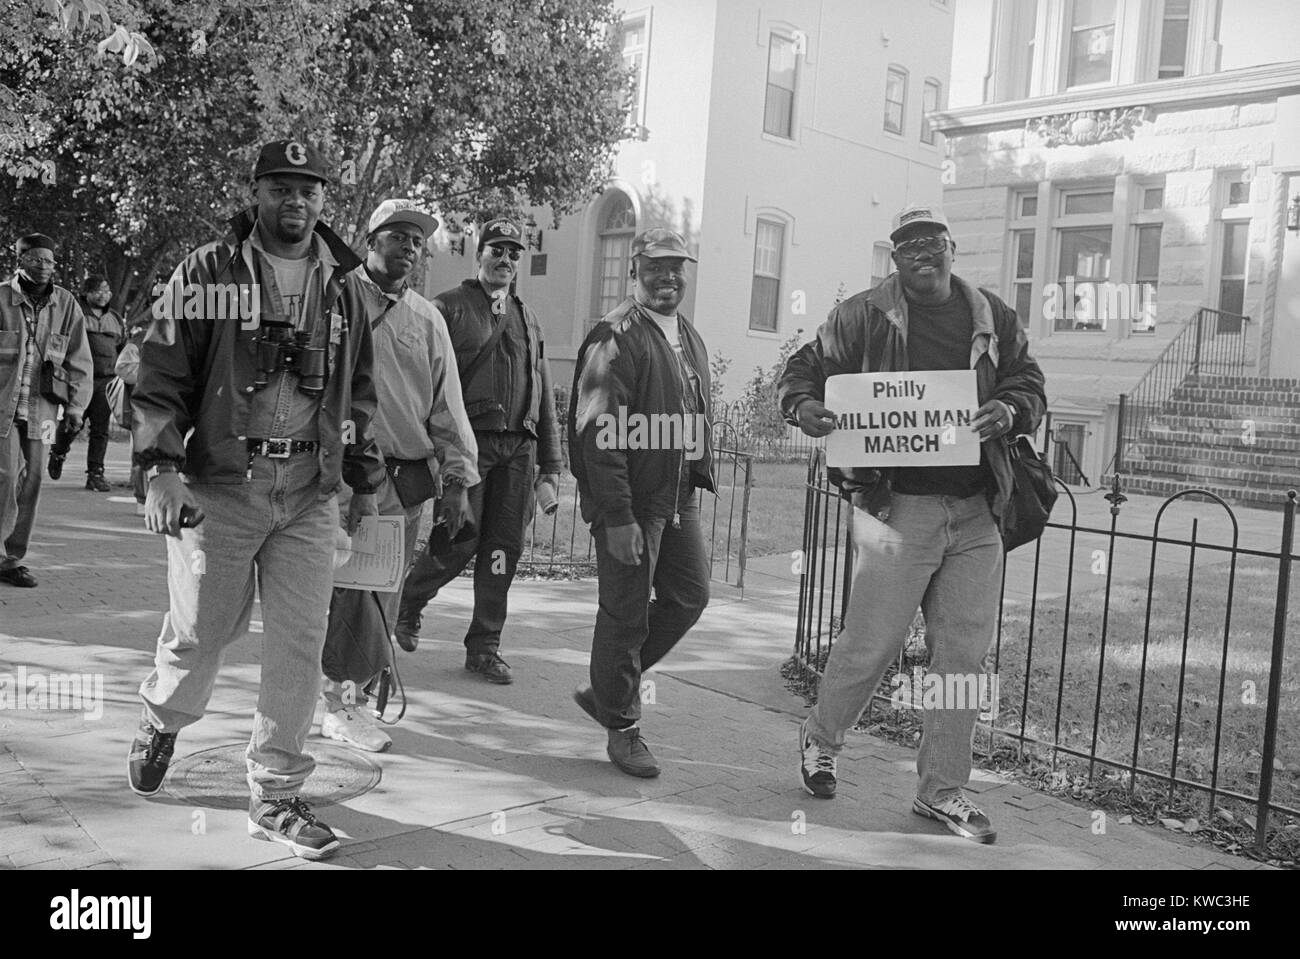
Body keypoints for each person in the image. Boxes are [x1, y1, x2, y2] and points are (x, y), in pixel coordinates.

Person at [126, 140, 386, 861]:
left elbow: (358, 390)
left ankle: (275, 793)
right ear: (257, 192)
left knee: (300, 643)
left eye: (308, 189)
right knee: (204, 632)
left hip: (306, 492)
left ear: (324, 200)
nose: (295, 202)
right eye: (281, 187)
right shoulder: (210, 271)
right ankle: (164, 715)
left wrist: (360, 477)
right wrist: (158, 468)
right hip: (221, 485)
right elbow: (160, 372)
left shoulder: (344, 286)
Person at [778, 204, 1046, 844]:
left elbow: (1029, 382)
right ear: (894, 260)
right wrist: (805, 406)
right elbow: (801, 372)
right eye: (907, 246)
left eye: (933, 241)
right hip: (895, 509)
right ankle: (820, 739)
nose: (922, 252)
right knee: (870, 642)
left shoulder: (991, 316)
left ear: (952, 248)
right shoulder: (862, 315)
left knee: (961, 658)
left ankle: (943, 791)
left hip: (978, 511)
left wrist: (1010, 410)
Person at [319, 199, 479, 753]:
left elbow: (446, 408)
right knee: (347, 592)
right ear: (371, 238)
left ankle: (354, 691)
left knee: (381, 591)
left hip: (405, 484)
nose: (410, 248)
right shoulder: (336, 298)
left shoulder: (427, 318)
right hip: (343, 478)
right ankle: (340, 704)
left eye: (418, 240)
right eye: (399, 236)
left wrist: (457, 481)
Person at [567, 228, 715, 778]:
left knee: (690, 595)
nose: (668, 276)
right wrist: (618, 516)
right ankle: (623, 726)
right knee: (625, 615)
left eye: (677, 266)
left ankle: (606, 688)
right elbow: (597, 433)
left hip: (677, 498)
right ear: (636, 270)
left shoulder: (688, 335)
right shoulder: (617, 335)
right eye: (656, 267)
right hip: (634, 502)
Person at [393, 217, 562, 686]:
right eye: (496, 250)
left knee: (502, 551)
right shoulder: (446, 308)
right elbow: (420, 383)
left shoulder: (528, 317)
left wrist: (551, 463)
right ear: (478, 253)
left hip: (518, 451)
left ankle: (485, 647)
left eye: (513, 253)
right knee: (459, 538)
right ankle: (408, 601)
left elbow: (542, 393)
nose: (505, 259)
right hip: (469, 447)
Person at [0, 233, 93, 589]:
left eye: (49, 261)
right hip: (4, 410)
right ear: (19, 260)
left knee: (34, 479)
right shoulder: (2, 297)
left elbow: (80, 360)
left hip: (46, 413)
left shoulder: (66, 304)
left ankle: (12, 558)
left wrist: (76, 407)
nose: (43, 267)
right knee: (6, 476)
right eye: (36, 259)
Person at [48, 275, 126, 491]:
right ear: (87, 293)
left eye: (106, 290)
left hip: (106, 383)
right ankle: (58, 452)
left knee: (101, 430)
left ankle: (95, 474)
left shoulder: (116, 319)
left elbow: (122, 349)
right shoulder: (76, 313)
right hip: (80, 381)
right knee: (72, 424)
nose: (104, 294)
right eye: (98, 290)